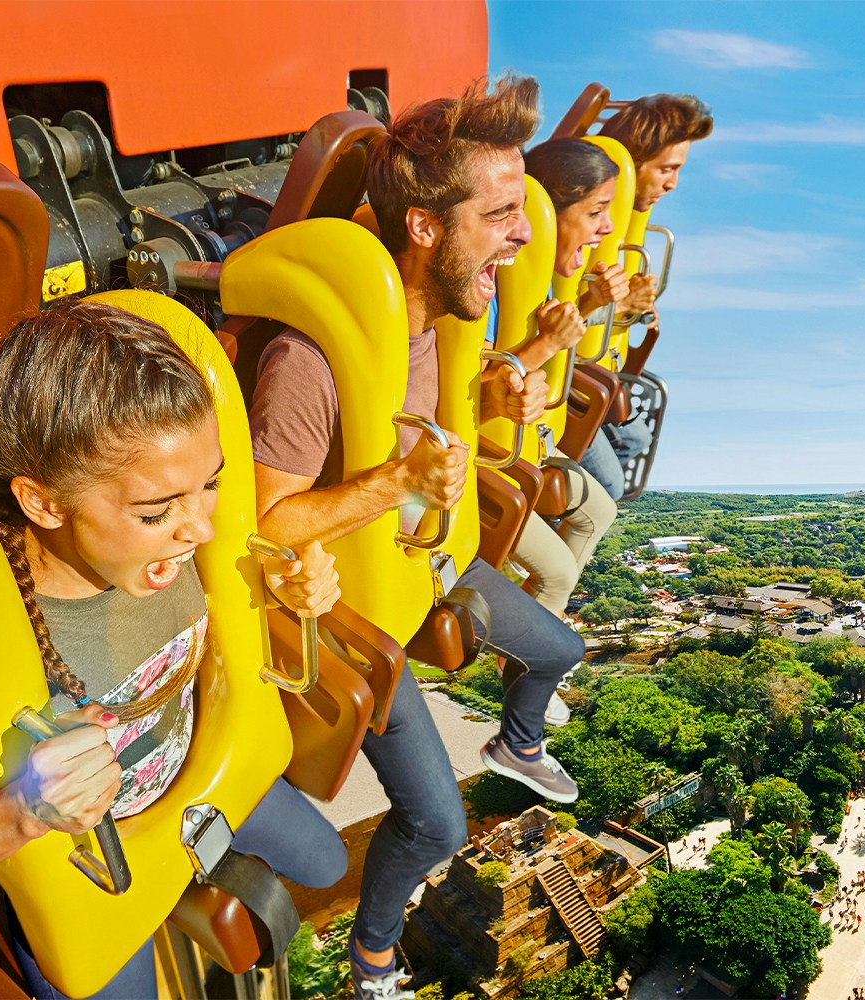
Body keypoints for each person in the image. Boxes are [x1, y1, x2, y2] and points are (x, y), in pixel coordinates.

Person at [0, 299, 347, 999]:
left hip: (203, 777)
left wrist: (290, 595)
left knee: (327, 863)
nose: (201, 532)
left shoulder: (177, 549)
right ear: (45, 504)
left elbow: (228, 631)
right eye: (157, 512)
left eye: (208, 487)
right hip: (94, 863)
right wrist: (24, 809)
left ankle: (184, 887)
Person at [248, 74, 585, 998]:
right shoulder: (308, 363)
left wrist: (506, 382)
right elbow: (264, 522)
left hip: (429, 563)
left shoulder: (439, 325)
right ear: (427, 228)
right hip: (360, 611)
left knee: (562, 645)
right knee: (437, 826)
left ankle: (513, 740)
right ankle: (373, 956)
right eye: (503, 213)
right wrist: (392, 483)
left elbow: (414, 423)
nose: (523, 235)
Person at [496, 137, 624, 617]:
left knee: (601, 508)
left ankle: (533, 627)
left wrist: (590, 305)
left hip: (530, 435)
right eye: (596, 212)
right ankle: (532, 648)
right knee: (557, 574)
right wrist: (547, 344)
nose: (607, 228)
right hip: (488, 448)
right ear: (550, 213)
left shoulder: (549, 281)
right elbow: (473, 380)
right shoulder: (499, 280)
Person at [576, 93, 715, 500]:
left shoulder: (625, 225)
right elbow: (553, 309)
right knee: (610, 485)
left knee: (635, 437)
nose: (672, 184)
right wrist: (621, 308)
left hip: (595, 367)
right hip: (567, 376)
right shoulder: (576, 221)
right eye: (667, 169)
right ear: (632, 164)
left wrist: (637, 309)